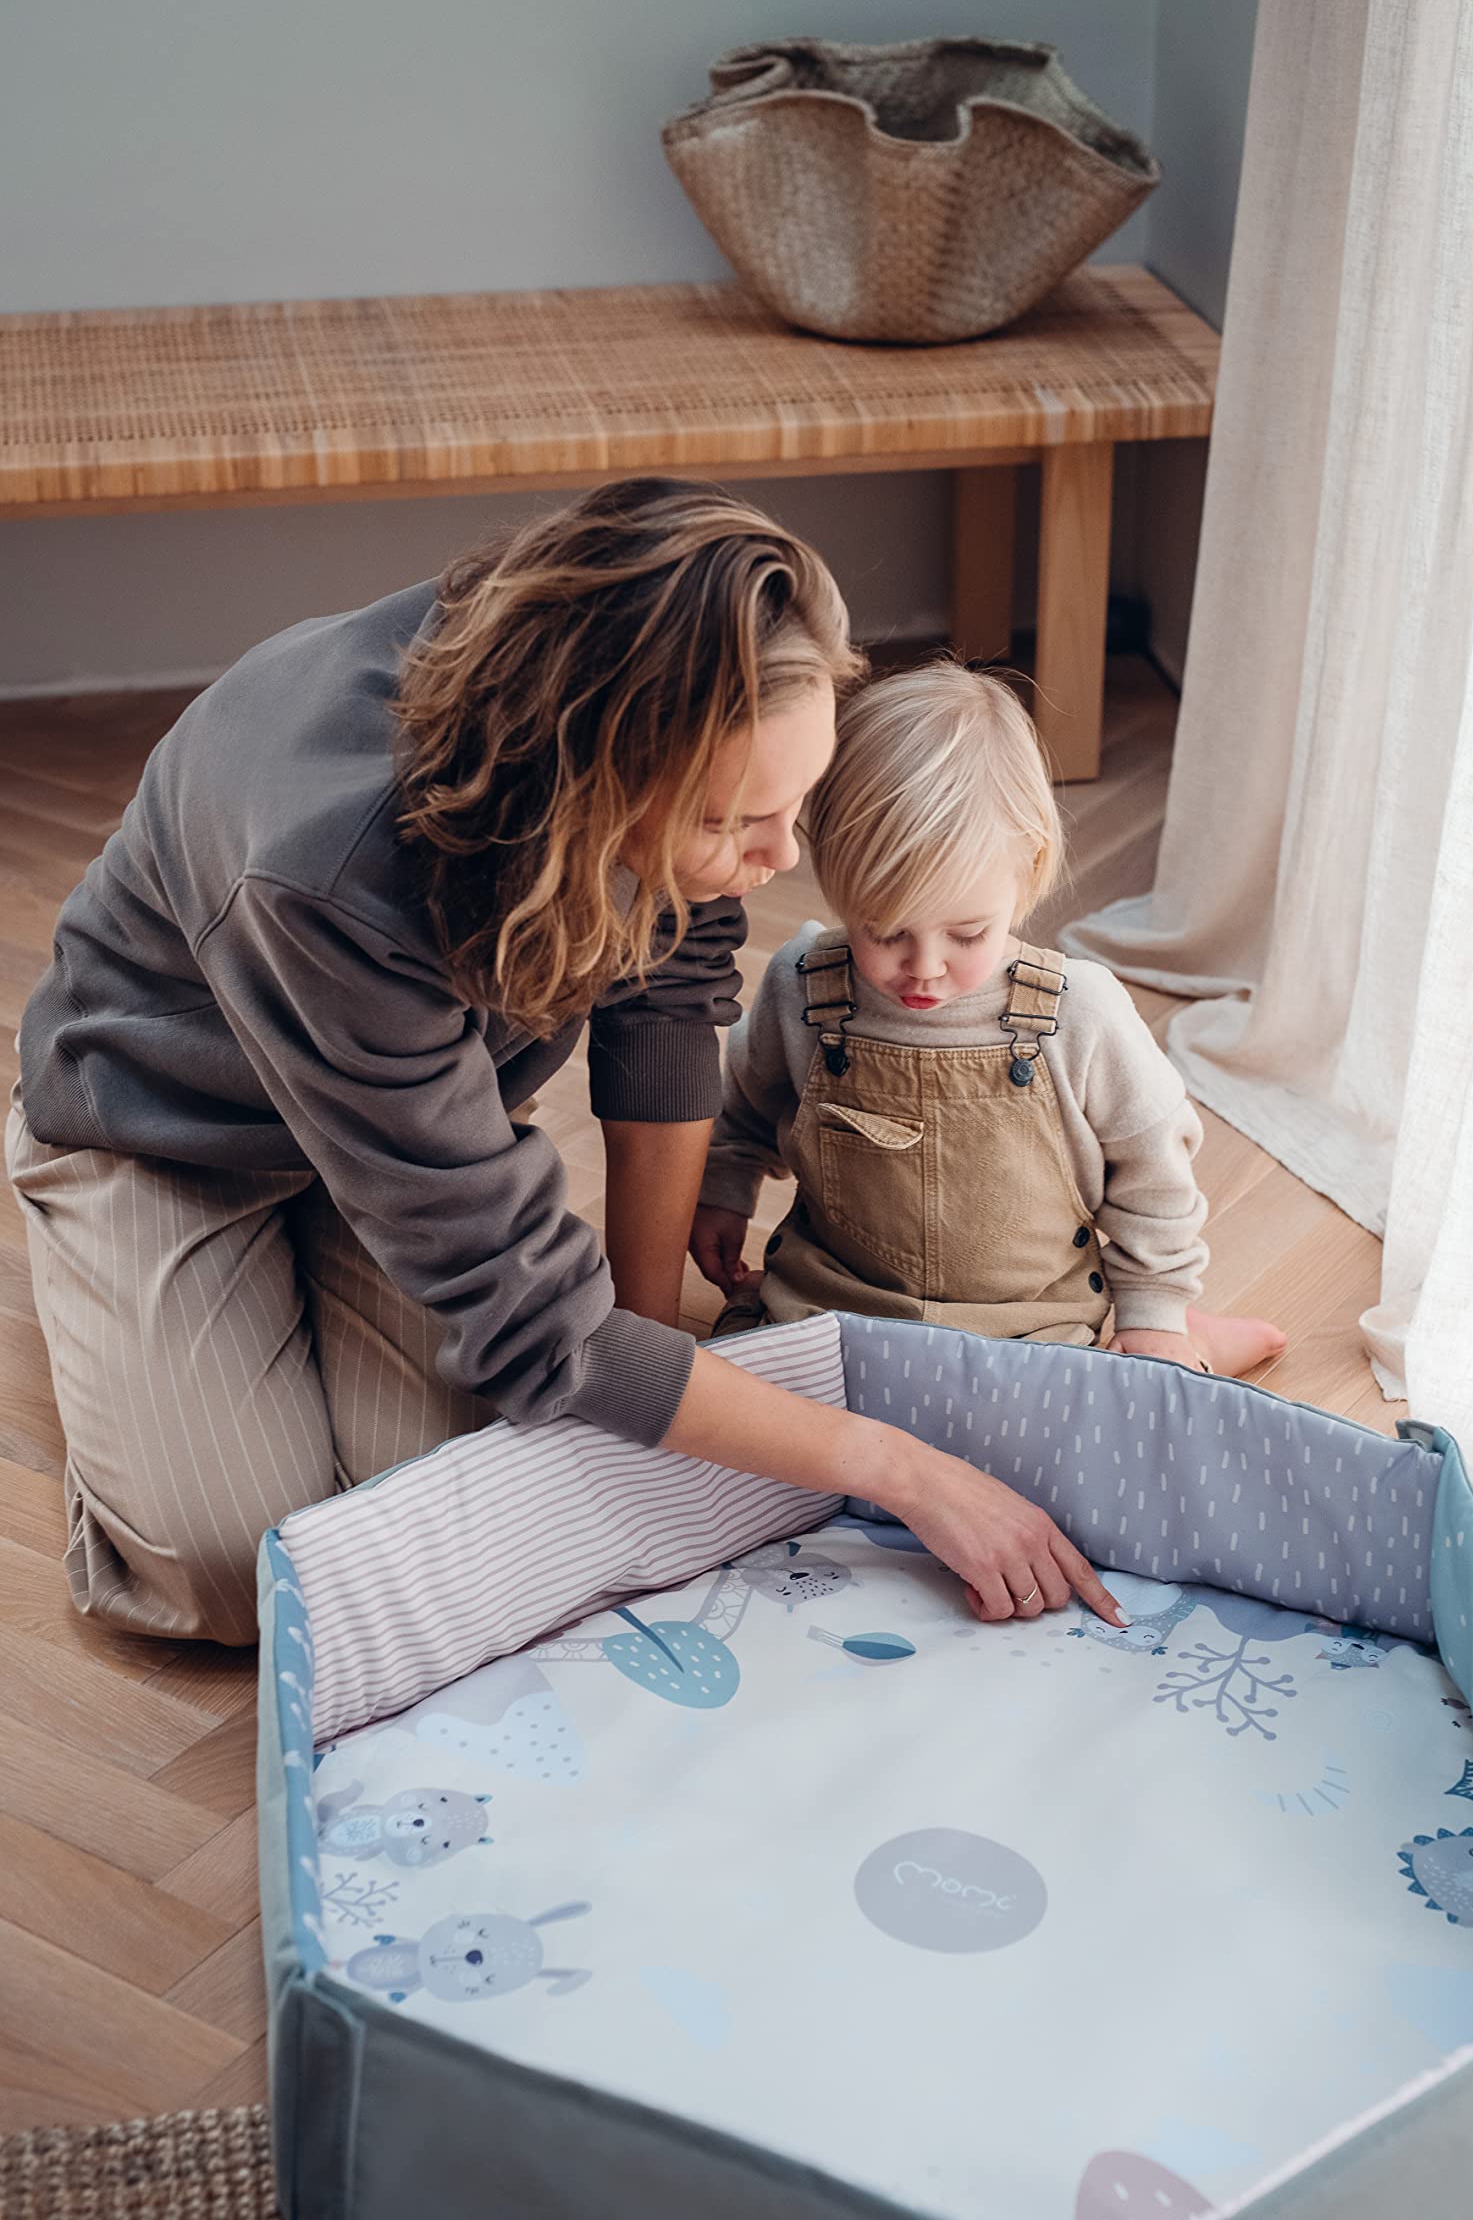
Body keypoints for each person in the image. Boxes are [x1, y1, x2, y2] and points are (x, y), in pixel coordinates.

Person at [7, 484, 1122, 1647]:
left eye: (795, 806)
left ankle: (305, 1278)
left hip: (413, 1122)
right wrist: (907, 1471)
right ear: (593, 779)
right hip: (173, 1124)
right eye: (735, 823)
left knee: (456, 1495)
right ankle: (100, 1264)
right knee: (248, 1566)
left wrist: (639, 1354)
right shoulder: (325, 867)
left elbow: (672, 1002)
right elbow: (549, 1332)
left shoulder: (645, 700)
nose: (783, 858)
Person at [690, 660, 1285, 1375]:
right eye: (883, 930)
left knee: (1095, 1440)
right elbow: (743, 1109)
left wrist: (1153, 1310)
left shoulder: (1080, 1013)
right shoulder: (802, 985)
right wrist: (723, 1191)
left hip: (1036, 1327)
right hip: (835, 1301)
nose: (924, 965)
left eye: (966, 935)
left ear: (1027, 871)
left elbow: (1152, 1175)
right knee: (738, 1418)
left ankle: (1191, 1336)